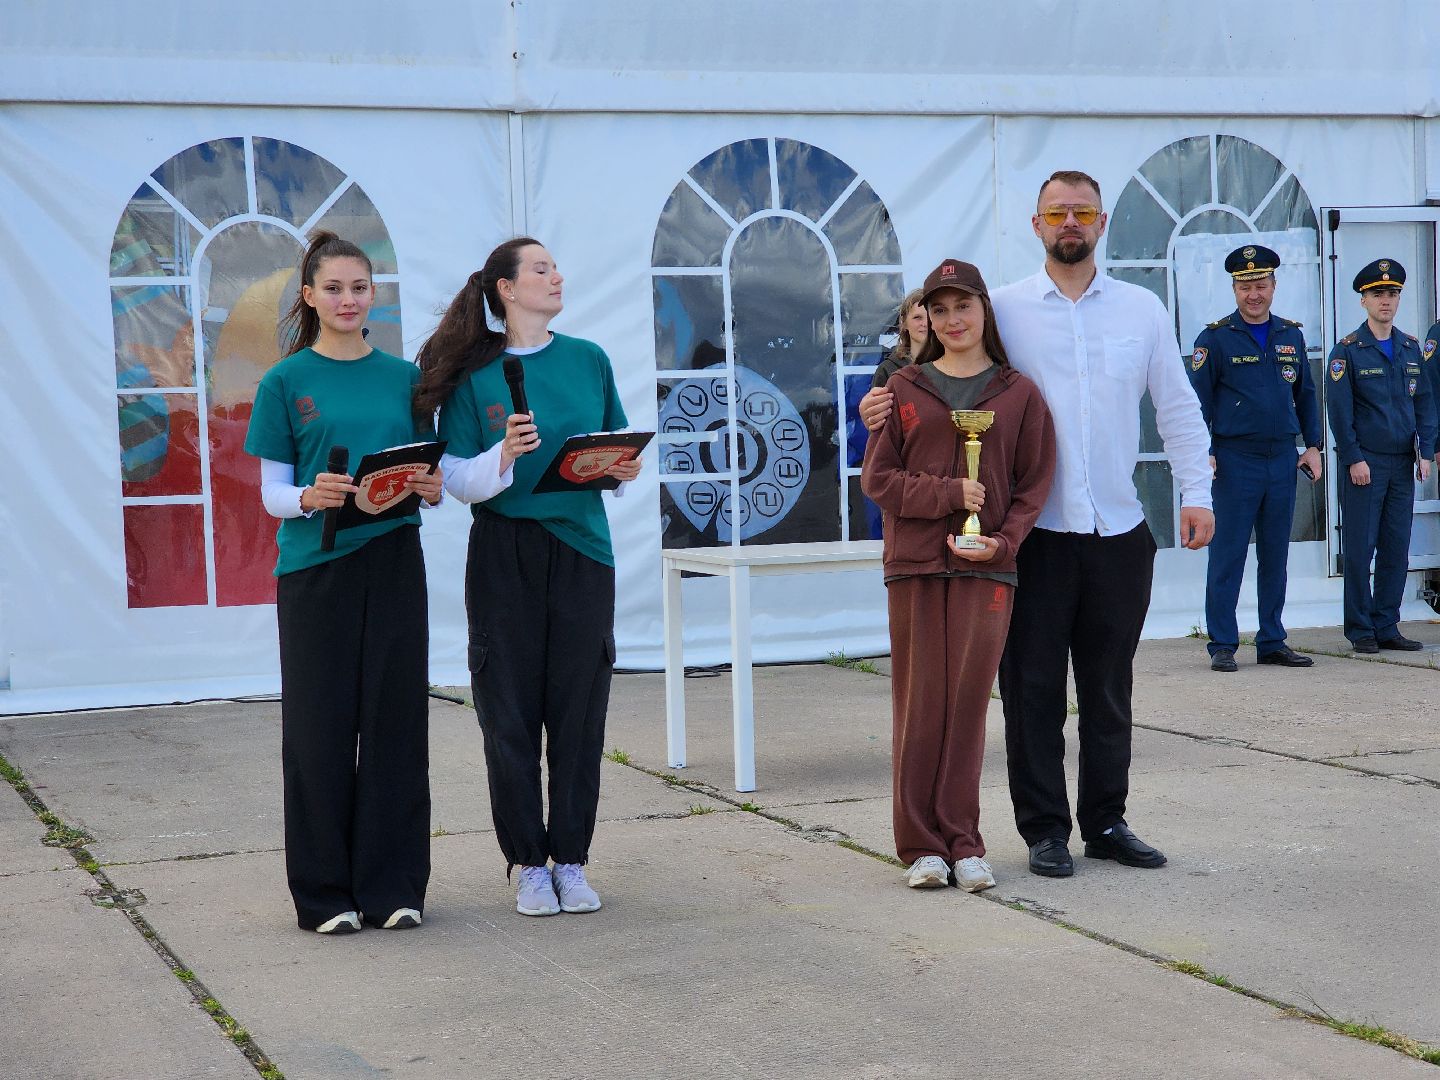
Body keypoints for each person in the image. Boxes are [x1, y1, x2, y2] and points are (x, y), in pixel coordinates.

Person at [862, 169, 1213, 878]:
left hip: (1119, 529)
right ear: (1037, 225)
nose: (1070, 223)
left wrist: (1196, 491)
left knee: (1109, 689)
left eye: (1082, 212)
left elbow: (1176, 406)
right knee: (1032, 692)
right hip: (1034, 536)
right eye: (1057, 214)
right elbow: (941, 362)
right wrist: (880, 399)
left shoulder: (1142, 310)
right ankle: (1045, 830)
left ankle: (1107, 821)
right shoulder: (1010, 309)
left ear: (1102, 222)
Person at [413, 238, 639, 917]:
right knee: (507, 713)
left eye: (556, 267)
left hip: (582, 550)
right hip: (503, 552)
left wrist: (621, 468)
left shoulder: (589, 359)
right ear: (506, 289)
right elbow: (456, 480)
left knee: (579, 712)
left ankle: (571, 858)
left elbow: (614, 449)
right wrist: (505, 454)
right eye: (541, 269)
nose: (556, 276)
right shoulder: (474, 374)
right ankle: (529, 865)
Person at [244, 231, 443, 934]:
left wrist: (430, 486)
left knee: (396, 723)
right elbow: (270, 491)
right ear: (309, 296)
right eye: (333, 288)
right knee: (318, 729)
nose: (348, 300)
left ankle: (394, 888)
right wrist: (308, 496)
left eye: (359, 288)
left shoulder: (405, 379)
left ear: (373, 294)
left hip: (394, 562)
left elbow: (423, 468)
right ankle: (325, 894)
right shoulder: (284, 382)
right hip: (314, 570)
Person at [862, 260, 1055, 893]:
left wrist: (1002, 543)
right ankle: (921, 847)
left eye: (963, 307)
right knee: (920, 704)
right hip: (915, 565)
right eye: (939, 310)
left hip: (986, 568)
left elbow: (1033, 485)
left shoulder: (1018, 393)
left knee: (969, 706)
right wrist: (949, 493)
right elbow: (878, 480)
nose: (952, 320)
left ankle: (965, 843)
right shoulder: (904, 388)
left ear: (984, 311)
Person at [1188, 245, 1323, 672]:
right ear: (1234, 289)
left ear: (1273, 286)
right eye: (1245, 287)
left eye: (1261, 285)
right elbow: (1197, 403)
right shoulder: (1215, 339)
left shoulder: (1290, 336)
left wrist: (1313, 446)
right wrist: (1205, 452)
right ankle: (1222, 643)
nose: (1254, 294)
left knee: (1275, 556)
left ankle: (1272, 640)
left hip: (1281, 458)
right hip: (1235, 461)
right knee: (1227, 555)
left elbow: (1306, 394)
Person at [1326, 259, 1436, 653]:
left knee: (1396, 547)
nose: (1385, 301)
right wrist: (1353, 457)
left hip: (1402, 463)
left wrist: (1425, 450)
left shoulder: (1409, 348)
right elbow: (1340, 412)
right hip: (1366, 464)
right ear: (1363, 300)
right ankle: (1360, 630)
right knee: (1360, 550)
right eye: (1377, 294)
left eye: (1391, 294)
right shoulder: (1348, 351)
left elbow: (1425, 403)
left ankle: (1387, 625)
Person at [871, 288, 930, 389]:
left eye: (930, 317)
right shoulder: (887, 370)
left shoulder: (951, 365)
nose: (925, 323)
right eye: (917, 317)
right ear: (904, 323)